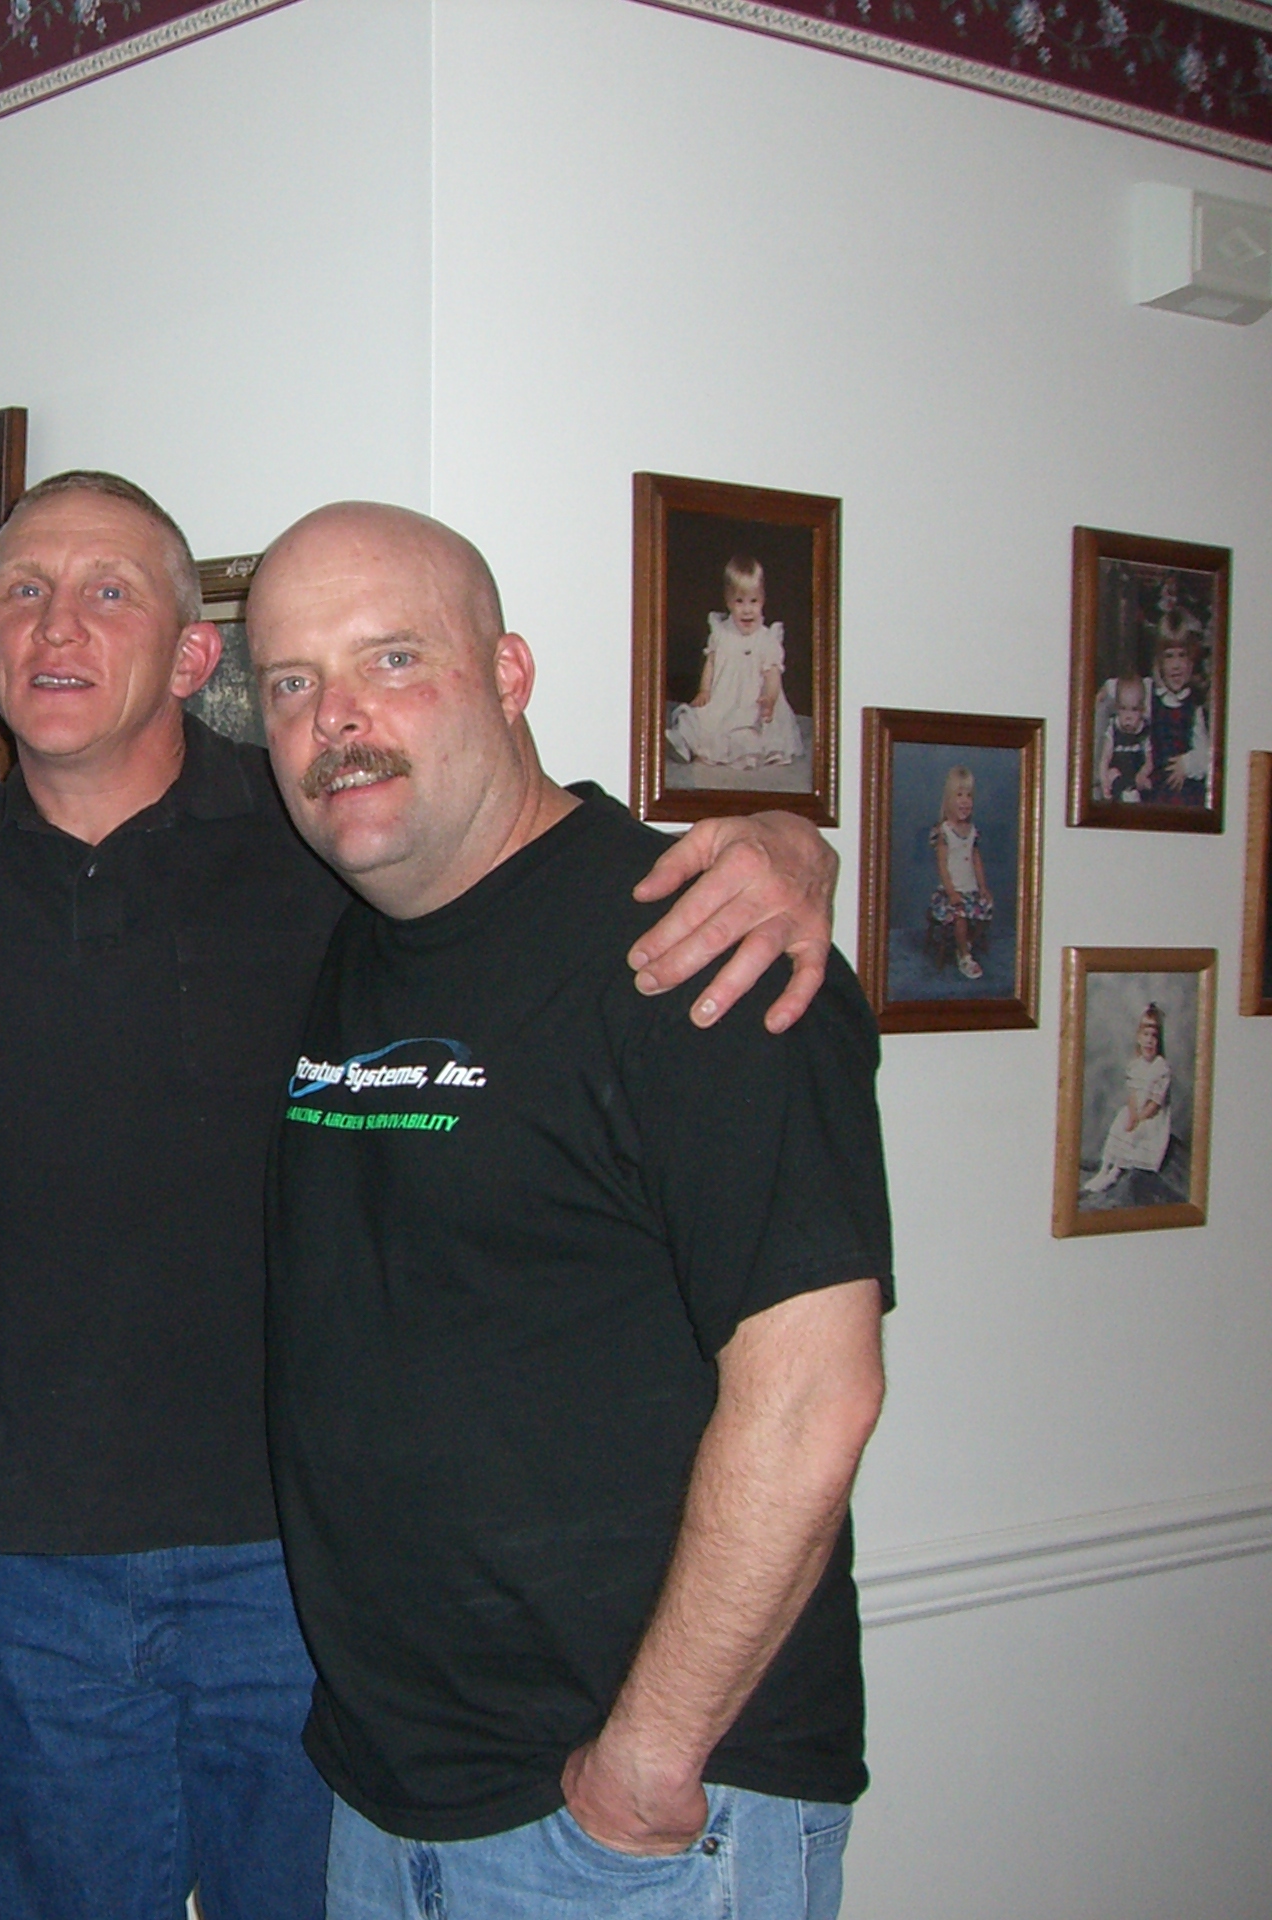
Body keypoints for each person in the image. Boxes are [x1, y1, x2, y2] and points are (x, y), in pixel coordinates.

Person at [0, 473, 846, 1919]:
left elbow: (534, 866)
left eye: (112, 590)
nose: (57, 625)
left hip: (308, 1584)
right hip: (32, 1576)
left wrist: (776, 844)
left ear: (197, 661)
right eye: (21, 590)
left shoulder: (326, 836)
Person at [250, 502, 890, 1920]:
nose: (337, 719)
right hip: (382, 1799)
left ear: (512, 674)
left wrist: (646, 1767)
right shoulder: (345, 935)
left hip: (626, 1826)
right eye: (292, 683)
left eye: (394, 659)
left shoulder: (694, 948)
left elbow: (813, 1397)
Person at [665, 554, 803, 771]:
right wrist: (704, 690)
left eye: (753, 601)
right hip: (723, 698)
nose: (747, 609)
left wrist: (770, 698)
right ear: (728, 601)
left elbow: (772, 674)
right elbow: (710, 663)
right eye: (739, 601)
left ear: (763, 600)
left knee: (747, 733)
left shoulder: (767, 639)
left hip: (754, 703)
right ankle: (684, 743)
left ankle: (742, 752)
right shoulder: (721, 633)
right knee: (701, 719)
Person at [1082, 1003, 1173, 1196]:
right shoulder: (1135, 1065)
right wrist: (1132, 1115)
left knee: (1135, 1133)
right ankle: (1104, 1168)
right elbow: (1132, 1095)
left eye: (1154, 1037)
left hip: (1150, 1117)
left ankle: (1116, 1171)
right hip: (1136, 1112)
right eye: (1145, 1035)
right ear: (1138, 1037)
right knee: (1120, 1121)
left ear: (1159, 1040)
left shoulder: (1161, 1068)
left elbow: (1155, 1103)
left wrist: (1139, 1118)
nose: (1149, 1041)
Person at [928, 764, 993, 979]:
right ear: (949, 800)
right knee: (960, 915)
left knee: (986, 910)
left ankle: (965, 941)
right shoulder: (944, 832)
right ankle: (965, 955)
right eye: (959, 795)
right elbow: (943, 866)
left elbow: (976, 861)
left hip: (970, 889)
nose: (965, 801)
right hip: (951, 891)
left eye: (969, 796)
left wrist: (982, 887)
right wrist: (952, 892)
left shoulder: (972, 831)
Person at [1145, 624, 1211, 806]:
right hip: (1155, 790)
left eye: (1182, 656)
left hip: (1186, 794)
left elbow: (1207, 755)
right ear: (1159, 662)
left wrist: (1187, 764)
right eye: (1169, 657)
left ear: (1191, 663)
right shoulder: (1150, 696)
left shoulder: (1195, 707)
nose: (1176, 665)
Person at [1096, 674, 1155, 803]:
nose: (1128, 716)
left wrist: (1143, 773)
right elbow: (1104, 759)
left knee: (1148, 784)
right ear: (1117, 709)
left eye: (1134, 710)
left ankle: (1134, 794)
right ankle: (1125, 794)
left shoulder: (1144, 730)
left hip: (1136, 775)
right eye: (1123, 709)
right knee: (1112, 774)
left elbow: (1150, 760)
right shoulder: (1113, 729)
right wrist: (1104, 782)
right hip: (1118, 776)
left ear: (1142, 710)